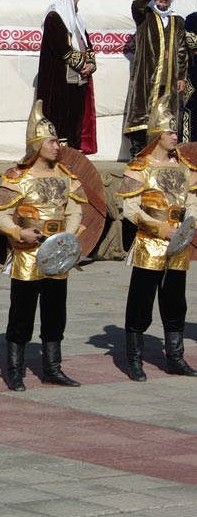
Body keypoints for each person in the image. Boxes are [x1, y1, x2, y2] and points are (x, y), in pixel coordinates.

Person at [0, 100, 88, 392]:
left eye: (57, 141)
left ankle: (53, 368)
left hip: (57, 256)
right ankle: (14, 370)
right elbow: (2, 216)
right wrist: (20, 234)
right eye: (50, 141)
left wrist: (66, 239)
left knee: (55, 312)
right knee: (21, 313)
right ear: (37, 144)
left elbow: (75, 211)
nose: (56, 146)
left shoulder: (66, 176)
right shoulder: (18, 177)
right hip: (27, 256)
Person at [117, 95, 197, 381]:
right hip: (150, 243)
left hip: (178, 244)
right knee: (141, 300)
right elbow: (129, 208)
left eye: (176, 131)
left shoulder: (184, 166)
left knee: (175, 301)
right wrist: (159, 229)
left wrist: (188, 224)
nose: (176, 136)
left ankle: (175, 358)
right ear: (157, 135)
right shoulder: (140, 167)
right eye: (170, 132)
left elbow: (192, 199)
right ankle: (134, 360)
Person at [123, 0, 187, 159]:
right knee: (143, 113)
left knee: (166, 114)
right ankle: (139, 151)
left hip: (169, 79)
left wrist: (181, 75)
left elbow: (181, 50)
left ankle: (164, 152)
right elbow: (137, 3)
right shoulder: (145, 16)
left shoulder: (177, 21)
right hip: (147, 76)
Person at [35, 0, 96, 154]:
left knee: (76, 119)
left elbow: (87, 44)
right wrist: (83, 63)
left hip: (78, 80)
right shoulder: (54, 19)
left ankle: (74, 152)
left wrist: (91, 64)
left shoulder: (77, 21)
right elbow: (62, 48)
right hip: (59, 81)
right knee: (59, 119)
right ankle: (59, 155)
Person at [180, 11, 197, 143]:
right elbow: (190, 42)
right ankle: (188, 148)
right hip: (194, 74)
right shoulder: (192, 19)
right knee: (191, 109)